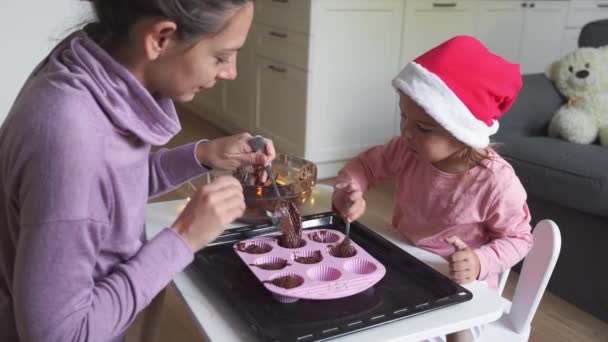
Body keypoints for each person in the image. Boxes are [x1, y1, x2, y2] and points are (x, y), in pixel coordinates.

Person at [0, 0, 272, 341]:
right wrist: (185, 237)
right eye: (221, 56)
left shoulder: (85, 62)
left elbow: (107, 188)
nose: (231, 72)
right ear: (160, 38)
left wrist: (203, 154)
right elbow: (59, 335)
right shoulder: (71, 138)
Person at [332, 36, 534, 342]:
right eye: (403, 116)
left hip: (464, 285)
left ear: (462, 132)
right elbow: (365, 166)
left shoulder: (496, 182)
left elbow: (520, 239)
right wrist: (349, 190)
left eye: (424, 128)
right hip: (405, 265)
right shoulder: (406, 150)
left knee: (438, 329)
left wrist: (480, 262)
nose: (407, 133)